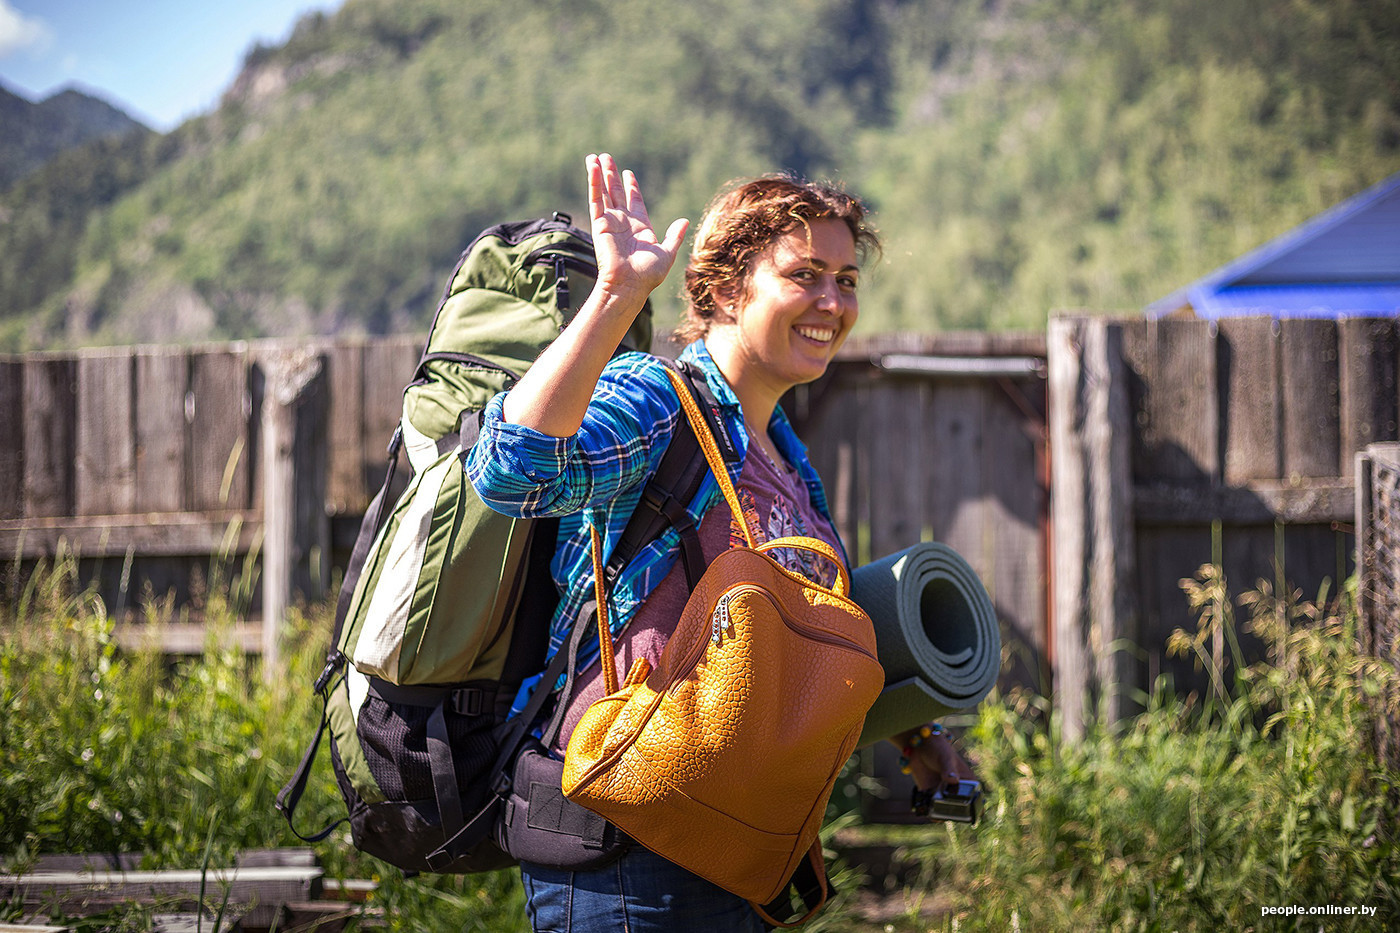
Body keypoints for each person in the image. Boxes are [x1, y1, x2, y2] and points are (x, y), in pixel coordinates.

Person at [467, 153, 973, 932]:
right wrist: (616, 292)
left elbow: (801, 638)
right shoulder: (659, 401)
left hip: (736, 839)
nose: (832, 301)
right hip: (626, 845)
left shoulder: (787, 457)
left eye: (846, 280)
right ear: (726, 289)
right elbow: (510, 471)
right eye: (804, 274)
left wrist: (918, 736)